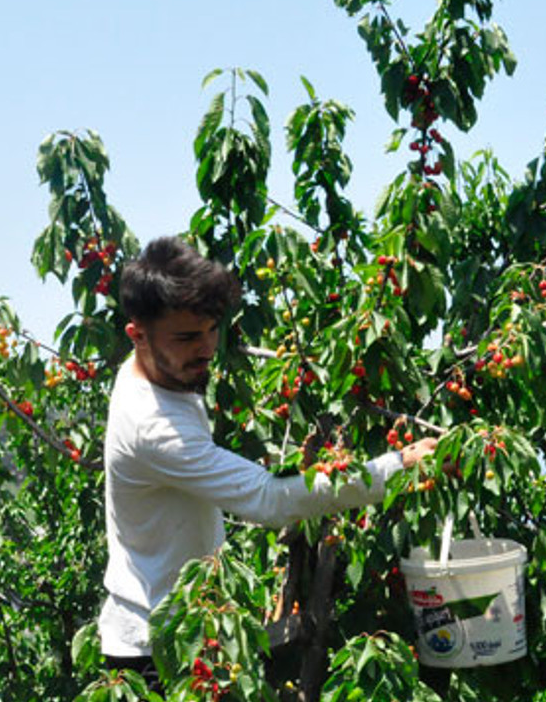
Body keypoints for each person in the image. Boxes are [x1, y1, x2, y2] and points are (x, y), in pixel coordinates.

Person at [98, 236, 437, 689]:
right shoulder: (152, 428)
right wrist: (399, 465)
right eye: (187, 337)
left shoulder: (157, 369)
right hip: (154, 651)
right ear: (136, 335)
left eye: (212, 329)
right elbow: (269, 500)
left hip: (193, 630)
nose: (207, 349)